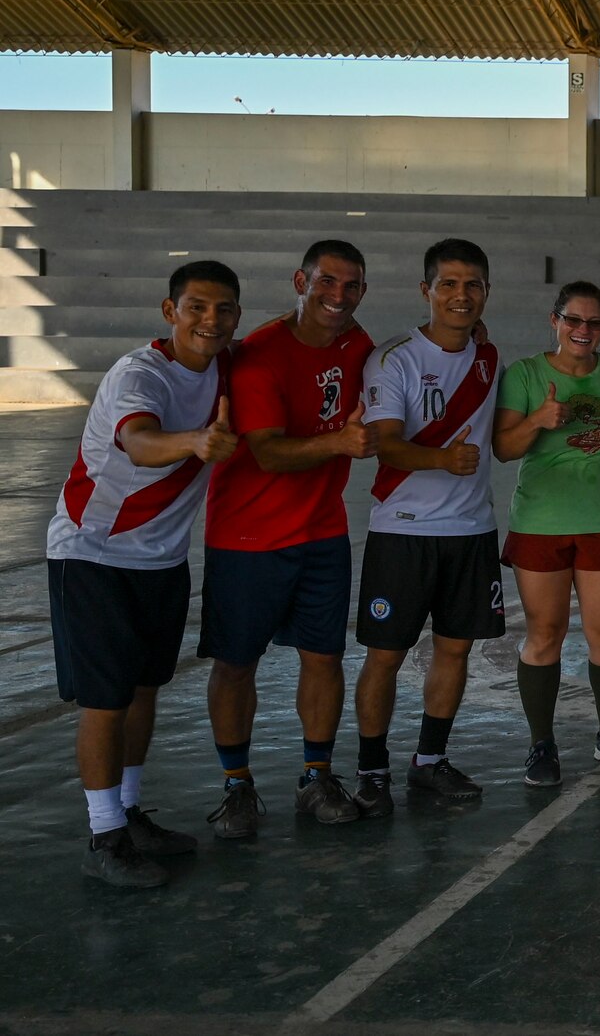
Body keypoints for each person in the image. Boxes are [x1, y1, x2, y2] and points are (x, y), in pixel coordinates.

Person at [50, 260, 240, 886]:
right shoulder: (141, 373)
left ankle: (129, 814)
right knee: (105, 700)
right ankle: (103, 836)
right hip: (94, 553)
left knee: (143, 689)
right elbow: (138, 440)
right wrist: (193, 443)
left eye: (223, 310)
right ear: (170, 311)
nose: (209, 321)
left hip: (161, 559)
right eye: (196, 307)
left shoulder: (225, 368)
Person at [201, 241, 375, 839]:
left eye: (351, 286)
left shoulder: (358, 345)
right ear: (301, 280)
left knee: (324, 656)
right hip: (248, 535)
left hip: (322, 532)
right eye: (327, 282)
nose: (338, 295)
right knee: (235, 662)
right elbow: (269, 452)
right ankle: (237, 785)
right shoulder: (259, 357)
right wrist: (337, 444)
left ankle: (316, 775)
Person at [353, 238, 506, 809]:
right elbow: (384, 446)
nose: (460, 296)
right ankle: (372, 770)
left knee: (454, 651)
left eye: (472, 285)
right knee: (386, 656)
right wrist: (442, 458)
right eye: (448, 284)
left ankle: (430, 760)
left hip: (470, 533)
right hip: (404, 531)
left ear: (486, 293)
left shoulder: (489, 357)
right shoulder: (394, 359)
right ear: (426, 291)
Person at [494, 280, 600, 787]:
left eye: (594, 322)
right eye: (574, 320)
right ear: (554, 321)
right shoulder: (525, 374)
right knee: (544, 636)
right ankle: (541, 743)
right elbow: (504, 449)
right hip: (540, 524)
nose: (583, 330)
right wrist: (537, 419)